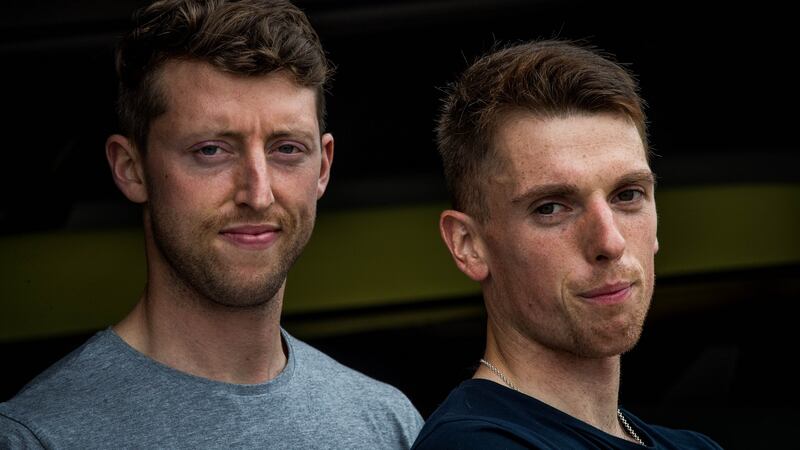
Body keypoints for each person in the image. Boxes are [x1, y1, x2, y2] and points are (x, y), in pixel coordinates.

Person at [0, 1, 423, 448]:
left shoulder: (388, 424)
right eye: (210, 150)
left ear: (323, 167)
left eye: (287, 149)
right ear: (131, 168)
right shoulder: (36, 438)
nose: (258, 194)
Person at [412, 40, 722, 449]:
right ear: (468, 245)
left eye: (627, 195)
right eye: (551, 207)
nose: (610, 241)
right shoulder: (473, 443)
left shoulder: (694, 446)